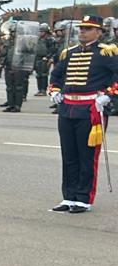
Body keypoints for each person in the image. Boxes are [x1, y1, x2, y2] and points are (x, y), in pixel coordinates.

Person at [47, 14, 118, 214]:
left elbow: (117, 76)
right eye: (81, 28)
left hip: (91, 110)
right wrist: (54, 91)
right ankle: (69, 196)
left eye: (87, 28)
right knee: (69, 155)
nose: (83, 32)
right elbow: (56, 75)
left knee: (86, 156)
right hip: (68, 109)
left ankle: (83, 198)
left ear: (99, 32)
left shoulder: (106, 53)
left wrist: (108, 95)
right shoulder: (68, 53)